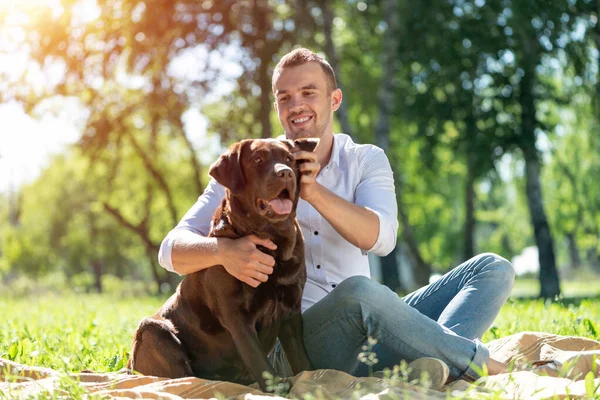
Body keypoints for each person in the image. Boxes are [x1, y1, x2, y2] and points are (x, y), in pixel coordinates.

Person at [157, 47, 513, 387]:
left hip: (373, 318)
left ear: (334, 100)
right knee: (358, 292)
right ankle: (471, 361)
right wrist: (222, 252)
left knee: (493, 269)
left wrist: (313, 191)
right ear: (278, 108)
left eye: (308, 93)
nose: (296, 105)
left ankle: (432, 364)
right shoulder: (255, 167)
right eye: (285, 97)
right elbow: (170, 250)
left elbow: (382, 238)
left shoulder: (365, 159)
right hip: (298, 339)